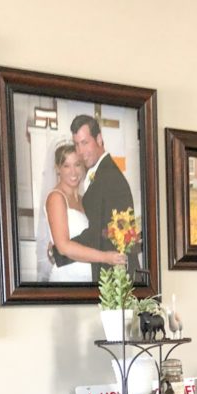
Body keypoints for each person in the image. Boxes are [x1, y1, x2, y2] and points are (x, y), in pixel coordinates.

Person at [52, 115, 132, 284]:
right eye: (77, 144)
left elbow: (100, 234)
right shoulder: (101, 172)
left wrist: (59, 251)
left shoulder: (108, 177)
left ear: (99, 139)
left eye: (85, 143)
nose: (80, 152)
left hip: (113, 278)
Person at [45, 144, 124, 283]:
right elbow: (63, 247)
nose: (73, 172)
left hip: (91, 278)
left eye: (77, 164)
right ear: (58, 169)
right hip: (67, 279)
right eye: (66, 166)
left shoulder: (85, 199)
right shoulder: (56, 198)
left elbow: (93, 235)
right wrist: (105, 257)